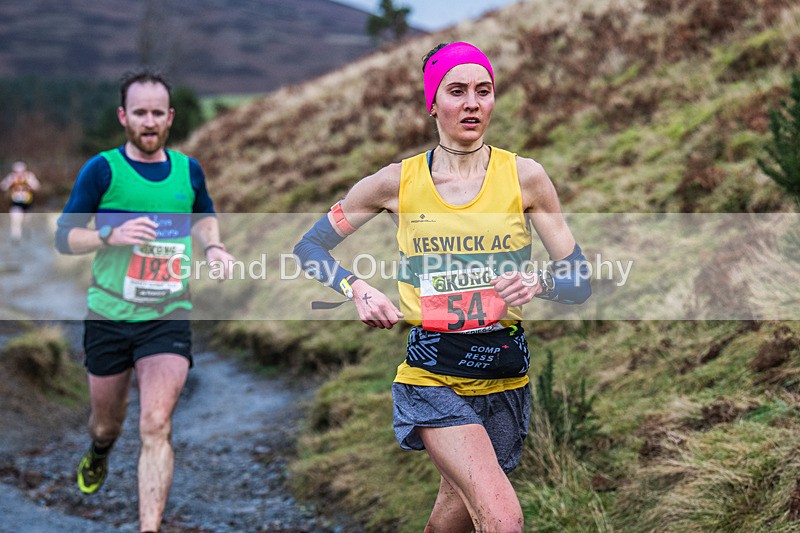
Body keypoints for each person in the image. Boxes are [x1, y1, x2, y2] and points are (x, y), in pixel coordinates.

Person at [294, 42, 591, 531]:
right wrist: (357, 289)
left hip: (505, 378)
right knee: (503, 518)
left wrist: (540, 281)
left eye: (484, 91)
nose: (473, 103)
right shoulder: (395, 182)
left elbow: (578, 282)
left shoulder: (526, 177)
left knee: (449, 525)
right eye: (457, 91)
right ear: (433, 102)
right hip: (433, 378)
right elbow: (309, 248)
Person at [55, 69, 235, 533]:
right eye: (140, 112)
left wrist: (213, 246)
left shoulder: (187, 170)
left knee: (156, 424)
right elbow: (64, 238)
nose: (149, 121)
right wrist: (110, 234)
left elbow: (204, 215)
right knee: (107, 426)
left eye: (158, 112)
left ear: (170, 117)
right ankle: (98, 452)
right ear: (124, 117)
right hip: (109, 316)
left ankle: (148, 527)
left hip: (167, 314)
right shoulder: (101, 170)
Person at [1, 160, 41, 242]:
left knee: (26, 221)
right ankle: (16, 237)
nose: (19, 174)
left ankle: (26, 231)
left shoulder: (29, 176)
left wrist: (31, 184)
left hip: (28, 203)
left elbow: (37, 187)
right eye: (16, 172)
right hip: (15, 203)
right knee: (15, 219)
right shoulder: (11, 177)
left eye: (21, 171)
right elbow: (3, 187)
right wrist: (8, 183)